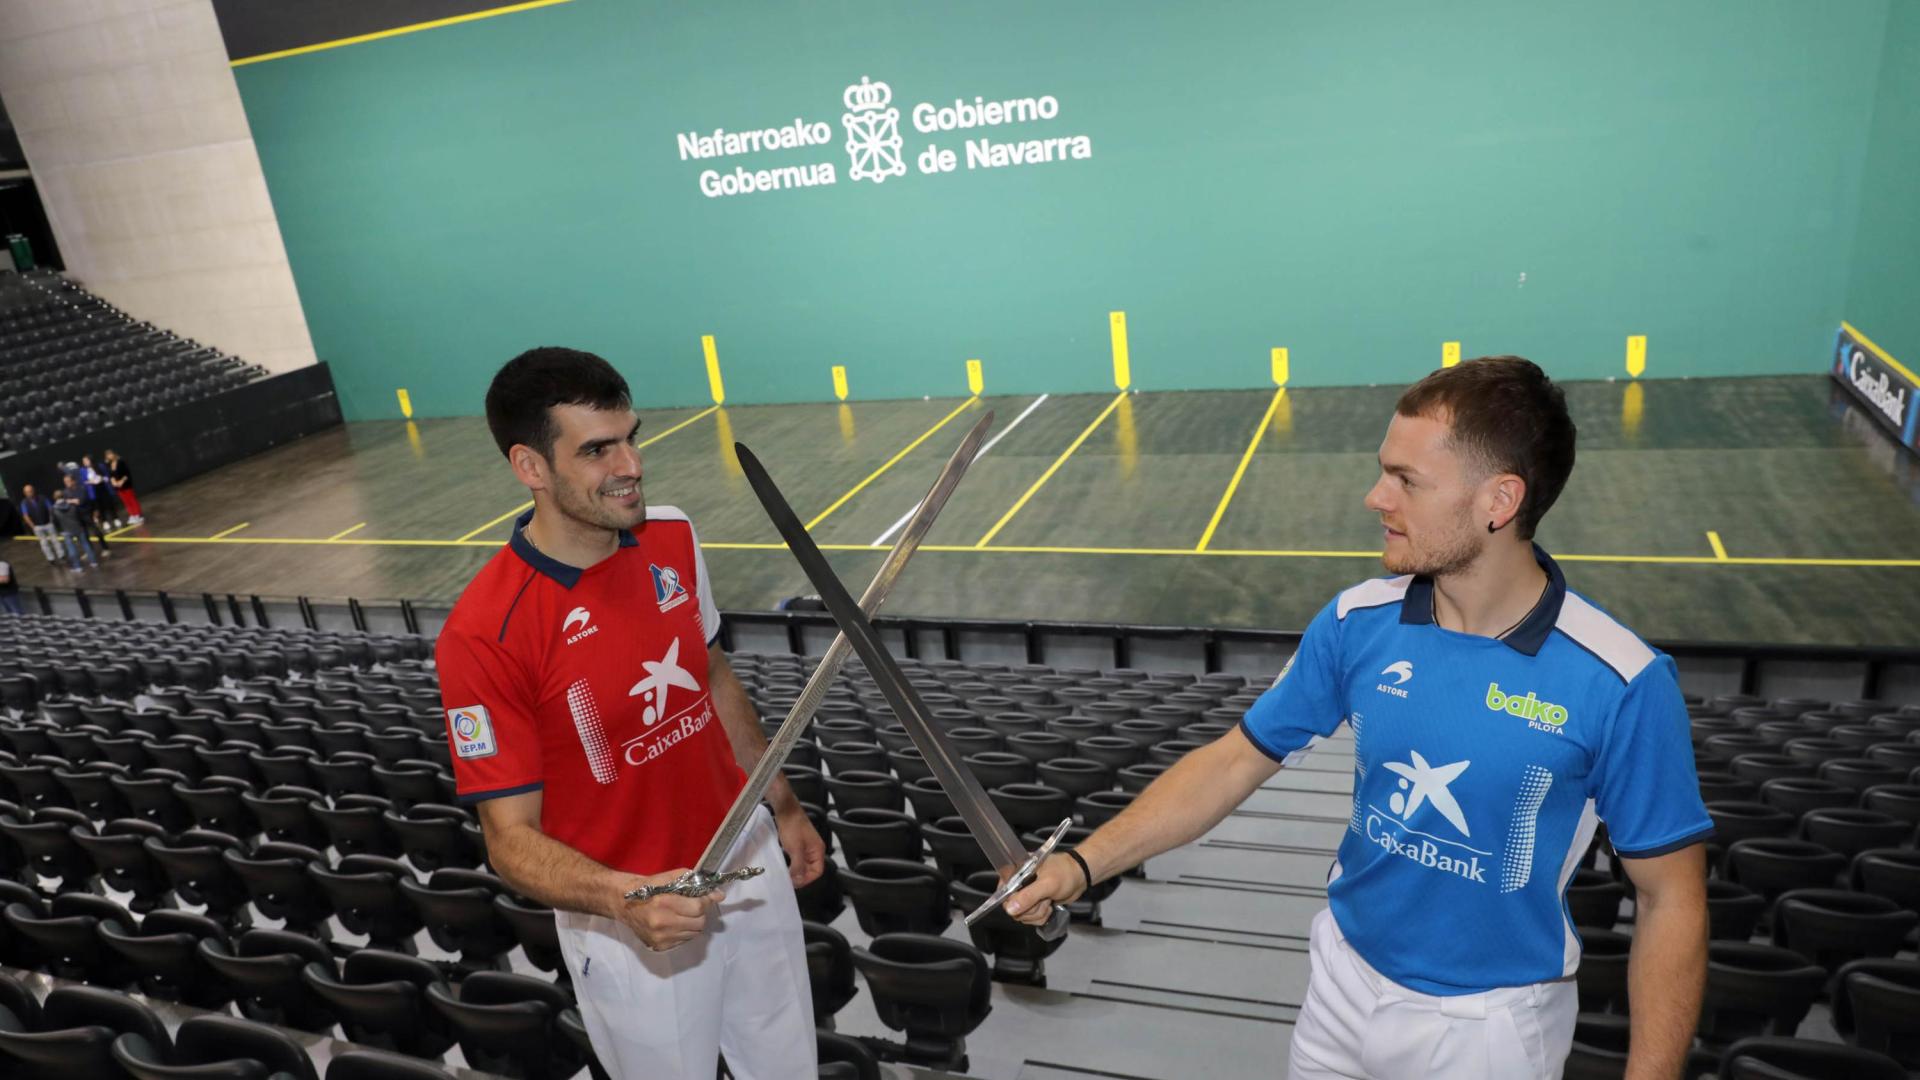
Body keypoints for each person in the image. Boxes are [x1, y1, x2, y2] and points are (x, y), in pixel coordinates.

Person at [1007, 357, 1713, 1080]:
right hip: (1339, 986)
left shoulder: (1621, 680)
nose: (1376, 497)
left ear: (1499, 500)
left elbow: (1671, 900)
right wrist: (1081, 864)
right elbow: (1232, 761)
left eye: (1406, 480)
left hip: (1488, 1031)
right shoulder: (1356, 620)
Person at [436, 347, 825, 1079]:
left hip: (747, 868)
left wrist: (784, 807)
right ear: (531, 467)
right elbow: (509, 840)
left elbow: (710, 678)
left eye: (631, 438)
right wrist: (623, 897)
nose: (632, 465)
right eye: (596, 450)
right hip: (631, 921)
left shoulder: (672, 535)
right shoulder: (484, 634)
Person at [50, 475, 99, 572]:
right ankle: (94, 562)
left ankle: (78, 567)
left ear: (55, 498)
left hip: (66, 531)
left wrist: (60, 531)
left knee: (72, 549)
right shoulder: (71, 504)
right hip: (78, 528)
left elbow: (54, 522)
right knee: (86, 545)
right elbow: (78, 515)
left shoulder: (54, 509)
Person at [18, 484, 59, 564]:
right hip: (37, 526)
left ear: (33, 490)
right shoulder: (24, 503)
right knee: (44, 543)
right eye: (27, 492)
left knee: (55, 540)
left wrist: (51, 520)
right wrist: (33, 526)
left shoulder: (42, 498)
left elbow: (50, 508)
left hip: (48, 523)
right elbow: (25, 515)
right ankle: (51, 558)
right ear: (25, 493)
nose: (30, 493)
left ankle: (61, 555)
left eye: (30, 491)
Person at [80, 455, 124, 530]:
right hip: (94, 490)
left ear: (90, 460)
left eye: (86, 460)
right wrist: (90, 482)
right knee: (100, 507)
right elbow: (83, 482)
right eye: (84, 461)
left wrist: (102, 478)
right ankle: (104, 522)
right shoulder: (83, 470)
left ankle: (115, 519)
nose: (85, 462)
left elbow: (107, 476)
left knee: (109, 504)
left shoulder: (100, 466)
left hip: (103, 488)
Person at [104, 449, 143, 524]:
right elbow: (111, 475)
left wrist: (121, 481)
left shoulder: (121, 461)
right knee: (126, 501)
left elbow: (127, 473)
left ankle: (138, 515)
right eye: (107, 455)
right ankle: (132, 515)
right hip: (118, 487)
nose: (109, 456)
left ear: (113, 454)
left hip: (126, 484)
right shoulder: (109, 464)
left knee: (132, 500)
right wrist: (113, 482)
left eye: (110, 454)